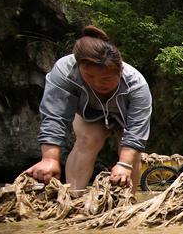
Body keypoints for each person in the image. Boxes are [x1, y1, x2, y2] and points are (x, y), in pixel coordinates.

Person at [26, 26, 152, 193]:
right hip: (89, 112)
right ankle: (72, 197)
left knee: (130, 157)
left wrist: (123, 164)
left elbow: (136, 131)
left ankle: (127, 203)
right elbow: (55, 115)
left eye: (106, 78)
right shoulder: (65, 71)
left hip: (125, 115)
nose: (98, 83)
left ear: (120, 70)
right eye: (90, 76)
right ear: (79, 68)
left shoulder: (136, 85)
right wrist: (49, 158)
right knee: (88, 139)